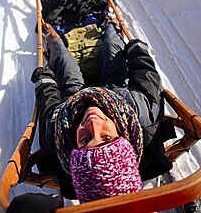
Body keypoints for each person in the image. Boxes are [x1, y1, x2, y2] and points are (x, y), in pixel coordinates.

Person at [31, 18, 175, 203]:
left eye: (85, 140)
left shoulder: (56, 131)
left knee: (64, 64)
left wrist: (44, 78)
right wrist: (137, 49)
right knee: (114, 53)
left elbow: (48, 101)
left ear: (73, 149)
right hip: (115, 92)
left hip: (73, 101)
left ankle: (54, 40)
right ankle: (111, 26)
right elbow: (145, 75)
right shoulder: (139, 111)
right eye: (106, 138)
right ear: (123, 137)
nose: (93, 124)